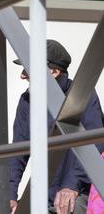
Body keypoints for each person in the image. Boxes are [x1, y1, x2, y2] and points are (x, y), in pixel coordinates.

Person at [9, 39, 104, 214]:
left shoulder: (83, 95)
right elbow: (17, 152)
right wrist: (10, 194)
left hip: (80, 192)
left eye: (28, 69)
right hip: (42, 195)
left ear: (53, 71)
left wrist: (71, 185)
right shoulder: (27, 101)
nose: (22, 75)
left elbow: (95, 144)